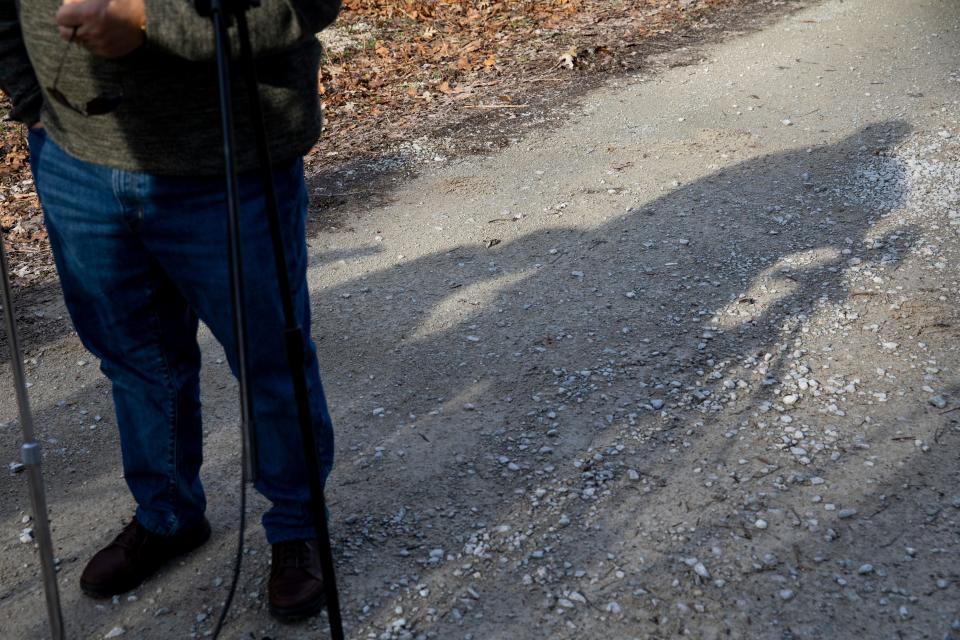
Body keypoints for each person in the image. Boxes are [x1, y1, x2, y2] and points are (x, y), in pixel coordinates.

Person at [0, 0, 341, 623]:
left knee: (270, 360)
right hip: (73, 155)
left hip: (228, 162)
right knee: (134, 358)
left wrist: (148, 21)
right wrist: (27, 95)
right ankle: (168, 515)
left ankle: (297, 526)